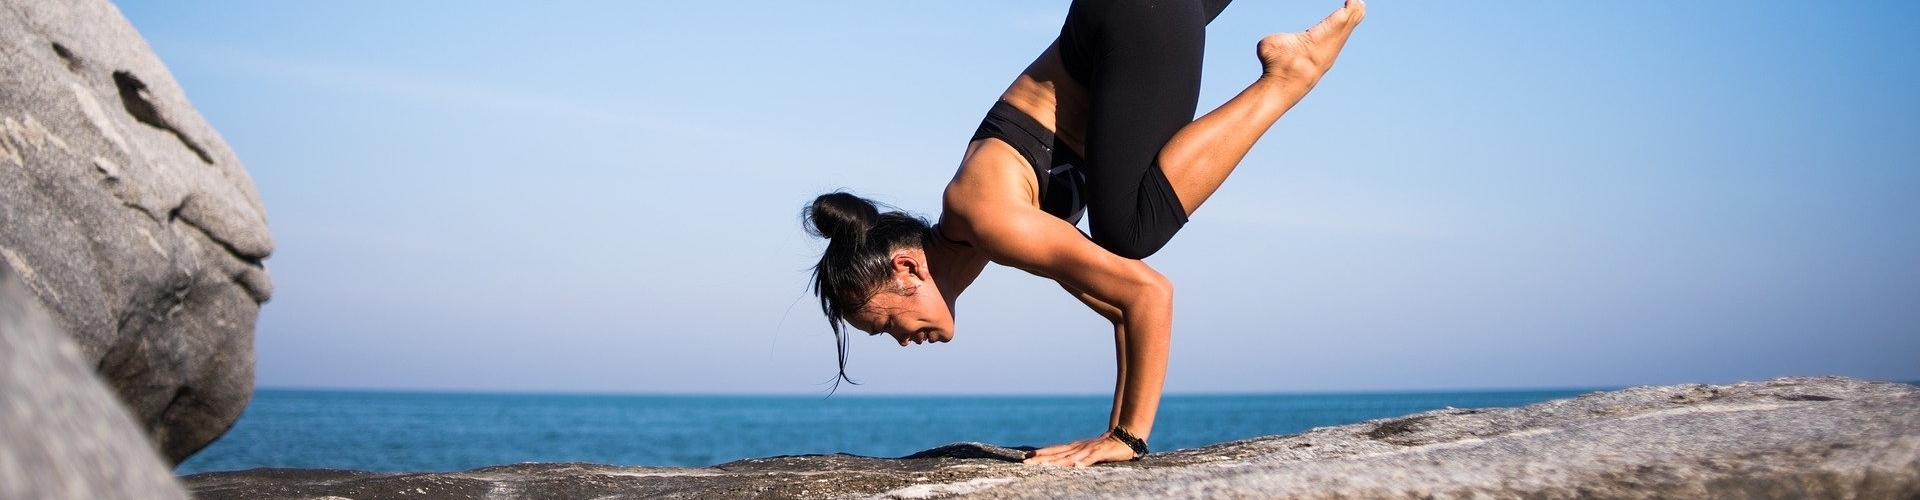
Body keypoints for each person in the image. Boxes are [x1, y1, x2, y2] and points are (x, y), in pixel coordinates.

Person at [803, 0, 1365, 467]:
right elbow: (1117, 304)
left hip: (1132, 17)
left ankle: (1290, 76)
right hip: (1127, 17)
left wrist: (1126, 439)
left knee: (1129, 231)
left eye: (884, 325)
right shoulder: (979, 231)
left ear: (906, 267)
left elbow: (1147, 293)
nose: (902, 341)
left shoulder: (985, 217)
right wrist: (1112, 433)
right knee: (1119, 244)